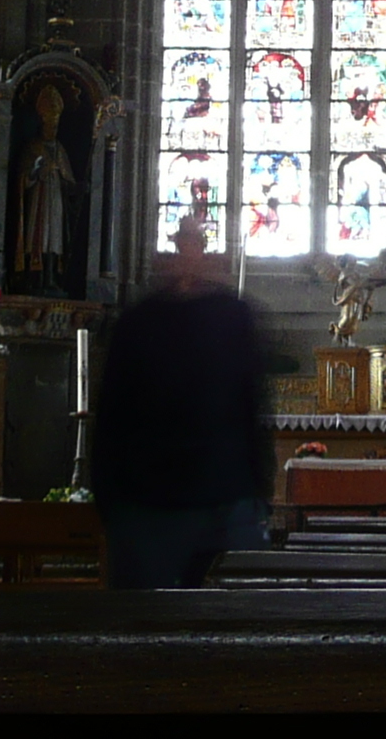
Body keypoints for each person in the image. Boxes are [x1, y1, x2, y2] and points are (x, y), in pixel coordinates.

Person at [90, 215, 270, 588]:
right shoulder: (139, 322)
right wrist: (110, 499)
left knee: (225, 628)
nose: (190, 252)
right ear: (172, 249)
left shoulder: (234, 317)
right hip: (149, 505)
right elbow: (112, 417)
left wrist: (255, 492)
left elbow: (251, 407)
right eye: (183, 243)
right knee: (145, 628)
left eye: (196, 243)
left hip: (221, 499)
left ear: (204, 250)